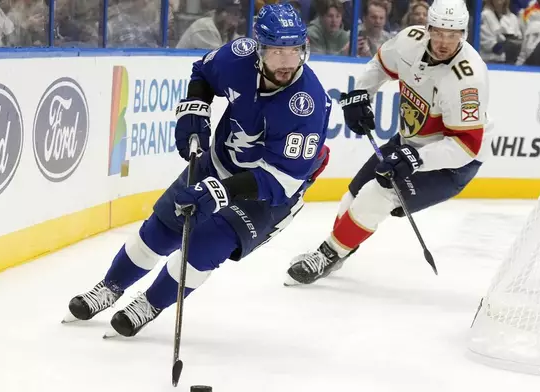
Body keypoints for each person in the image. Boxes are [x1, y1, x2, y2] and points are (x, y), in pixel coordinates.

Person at [62, 3, 332, 337]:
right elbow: (203, 73)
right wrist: (195, 110)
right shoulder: (238, 57)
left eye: (294, 52)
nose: (287, 64)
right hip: (218, 162)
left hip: (267, 194)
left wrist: (222, 192)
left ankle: (149, 304)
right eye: (277, 52)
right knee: (164, 225)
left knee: (206, 244)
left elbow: (283, 180)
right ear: (259, 49)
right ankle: (110, 286)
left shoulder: (306, 105)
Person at [285, 0, 492, 286]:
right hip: (409, 142)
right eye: (440, 32)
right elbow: (380, 63)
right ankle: (341, 247)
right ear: (428, 27)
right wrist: (360, 93)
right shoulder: (410, 41)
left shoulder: (467, 80)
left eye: (453, 34)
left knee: (378, 193)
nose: (445, 42)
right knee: (353, 195)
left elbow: (466, 146)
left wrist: (417, 159)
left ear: (464, 34)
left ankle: (327, 254)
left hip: (451, 163)